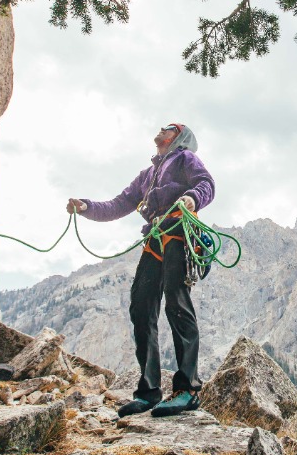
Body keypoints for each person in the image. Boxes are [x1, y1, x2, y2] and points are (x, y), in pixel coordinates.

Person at [66, 123, 215, 418]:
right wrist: (85, 207)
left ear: (179, 137)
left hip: (178, 232)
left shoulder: (185, 158)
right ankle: (148, 392)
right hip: (155, 239)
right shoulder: (147, 175)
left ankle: (187, 390)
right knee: (141, 307)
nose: (161, 129)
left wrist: (192, 198)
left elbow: (206, 183)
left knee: (177, 304)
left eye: (168, 128)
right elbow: (119, 204)